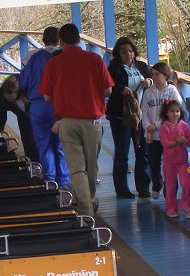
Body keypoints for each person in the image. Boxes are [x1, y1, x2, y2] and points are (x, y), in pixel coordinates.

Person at [39, 23, 113, 216]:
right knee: (91, 166)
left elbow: (46, 97)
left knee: (77, 168)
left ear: (61, 41)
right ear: (79, 39)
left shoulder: (54, 64)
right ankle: (90, 200)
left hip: (67, 121)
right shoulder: (95, 59)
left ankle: (85, 208)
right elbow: (108, 90)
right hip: (93, 122)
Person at [19, 27, 71, 187]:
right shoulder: (64, 57)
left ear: (43, 40)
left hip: (38, 105)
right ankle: (64, 182)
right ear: (59, 41)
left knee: (44, 144)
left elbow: (23, 82)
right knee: (61, 145)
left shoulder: (33, 57)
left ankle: (50, 180)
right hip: (59, 105)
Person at [106, 37, 153, 199]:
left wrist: (149, 81)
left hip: (141, 115)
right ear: (118, 53)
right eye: (124, 51)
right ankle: (122, 189)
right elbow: (109, 86)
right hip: (121, 116)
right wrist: (120, 89)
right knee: (122, 152)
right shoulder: (113, 68)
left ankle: (144, 187)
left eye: (130, 51)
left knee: (142, 151)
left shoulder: (141, 66)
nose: (128, 54)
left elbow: (152, 80)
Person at [140, 62, 183, 200]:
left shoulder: (172, 91)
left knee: (170, 165)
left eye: (157, 74)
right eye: (153, 74)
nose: (154, 77)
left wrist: (156, 125)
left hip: (168, 135)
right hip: (153, 136)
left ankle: (170, 194)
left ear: (165, 75)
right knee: (153, 163)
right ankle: (157, 184)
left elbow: (175, 112)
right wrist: (148, 127)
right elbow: (144, 111)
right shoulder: (148, 92)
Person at [159, 100, 190, 219]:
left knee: (187, 184)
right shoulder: (164, 127)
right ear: (167, 113)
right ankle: (171, 208)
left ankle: (185, 205)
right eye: (172, 111)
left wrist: (184, 141)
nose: (175, 114)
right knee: (170, 186)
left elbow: (189, 141)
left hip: (182, 162)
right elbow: (165, 143)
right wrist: (177, 141)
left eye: (177, 111)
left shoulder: (184, 125)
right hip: (169, 163)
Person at [0, 75, 39, 162]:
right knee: (27, 138)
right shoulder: (4, 100)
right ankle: (33, 161)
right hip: (23, 116)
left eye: (11, 96)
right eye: (7, 96)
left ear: (18, 92)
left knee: (40, 137)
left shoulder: (28, 93)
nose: (9, 98)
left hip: (35, 112)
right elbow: (0, 116)